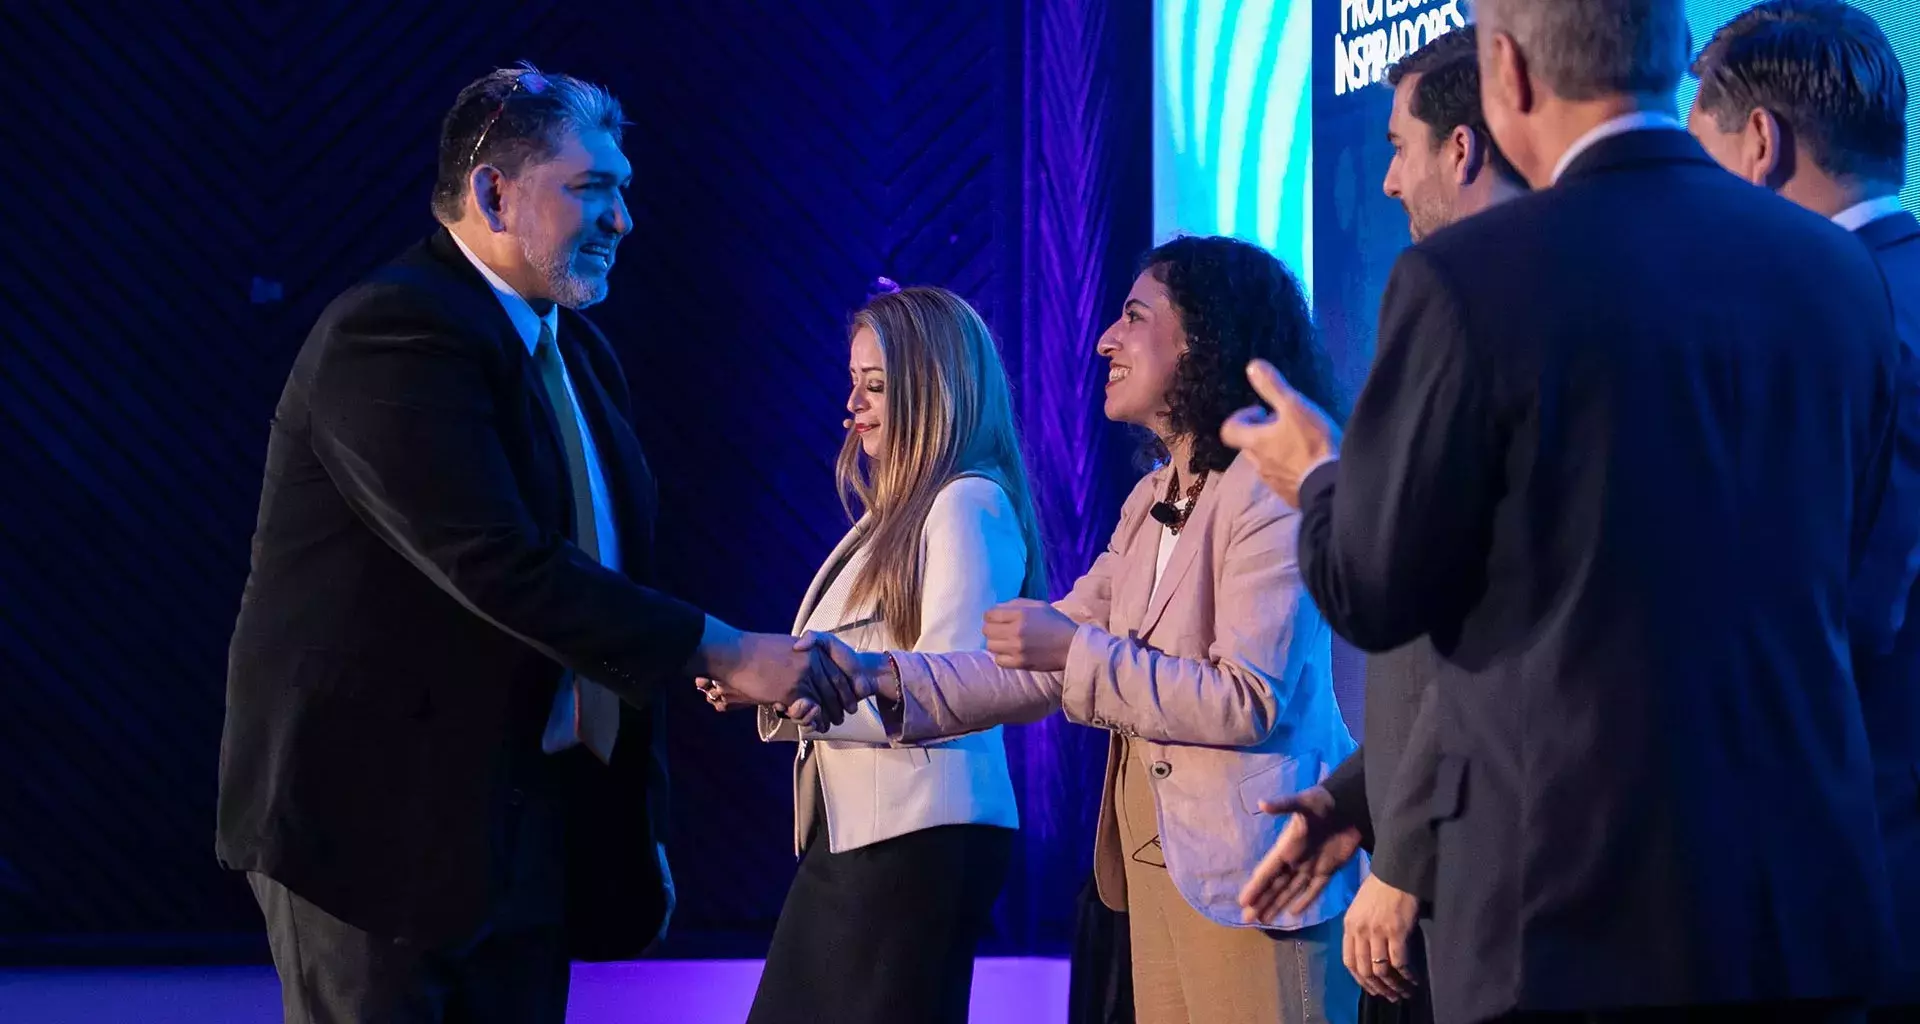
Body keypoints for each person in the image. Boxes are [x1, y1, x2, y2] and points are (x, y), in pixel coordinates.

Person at [1219, 0, 1904, 1018]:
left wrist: (1319, 475)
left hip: (1571, 925)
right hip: (1798, 917)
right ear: (1671, 59)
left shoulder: (1467, 279)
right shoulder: (1838, 274)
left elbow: (1372, 588)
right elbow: (1853, 595)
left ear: (1510, 74)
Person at [216, 65, 841, 1024]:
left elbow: (607, 576)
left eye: (624, 190)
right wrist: (727, 650)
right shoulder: (391, 332)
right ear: (492, 193)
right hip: (375, 832)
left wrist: (635, 819)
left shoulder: (577, 351)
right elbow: (498, 564)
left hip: (525, 826)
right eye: (593, 189)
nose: (624, 219)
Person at [780, 236, 1364, 1024]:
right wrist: (879, 676)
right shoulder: (1149, 498)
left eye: (1133, 316)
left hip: (1255, 875)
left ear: (1203, 337)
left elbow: (1245, 699)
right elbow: (1029, 665)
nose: (1104, 340)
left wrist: (1076, 651)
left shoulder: (1268, 490)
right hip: (1157, 867)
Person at [1239, 26, 1528, 1024]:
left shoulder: (1470, 303)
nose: (1388, 182)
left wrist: (1321, 480)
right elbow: (1437, 645)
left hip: (1484, 883)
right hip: (1425, 852)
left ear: (1462, 148)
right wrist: (1355, 800)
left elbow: (1481, 633)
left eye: (1398, 147)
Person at [698, 285, 1044, 1024]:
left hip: (915, 840)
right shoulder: (902, 511)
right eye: (853, 383)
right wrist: (776, 687)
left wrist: (792, 687)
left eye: (877, 386)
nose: (852, 408)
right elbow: (868, 675)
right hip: (877, 837)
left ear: (934, 388)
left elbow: (952, 694)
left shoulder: (966, 504)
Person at [1688, 4, 1919, 1017]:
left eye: (1695, 160)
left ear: (1760, 146)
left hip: (1857, 855)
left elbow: (1853, 608)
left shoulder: (1834, 317)